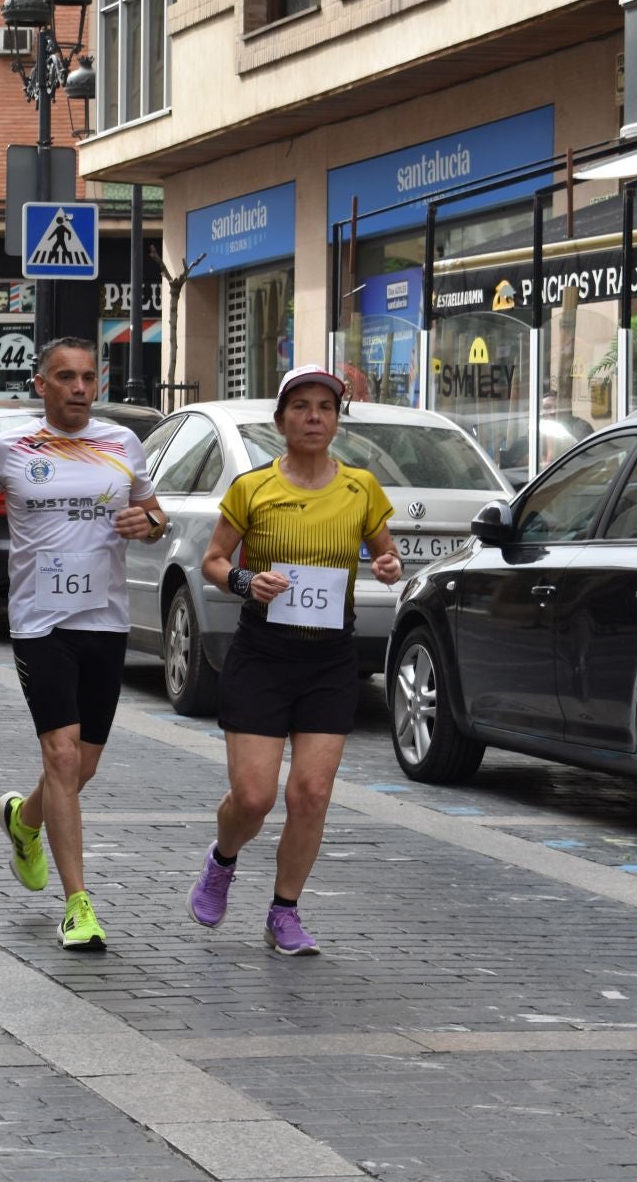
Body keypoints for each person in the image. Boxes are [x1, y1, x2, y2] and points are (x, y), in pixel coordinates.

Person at [0, 337, 166, 951]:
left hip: (105, 620)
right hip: (40, 622)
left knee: (82, 766)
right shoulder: (10, 448)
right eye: (66, 377)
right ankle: (79, 904)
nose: (80, 388)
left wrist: (150, 523)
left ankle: (23, 821)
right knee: (61, 757)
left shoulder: (123, 444)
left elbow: (152, 514)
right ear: (41, 384)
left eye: (88, 377)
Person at [186, 364, 401, 956]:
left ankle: (284, 911)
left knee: (310, 793)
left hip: (329, 657)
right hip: (262, 654)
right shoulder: (253, 488)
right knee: (253, 798)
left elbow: (386, 556)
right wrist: (244, 581)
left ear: (337, 420)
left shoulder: (361, 488)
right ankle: (222, 860)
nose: (313, 417)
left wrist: (388, 565)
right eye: (301, 407)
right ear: (281, 421)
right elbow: (212, 561)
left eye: (325, 408)